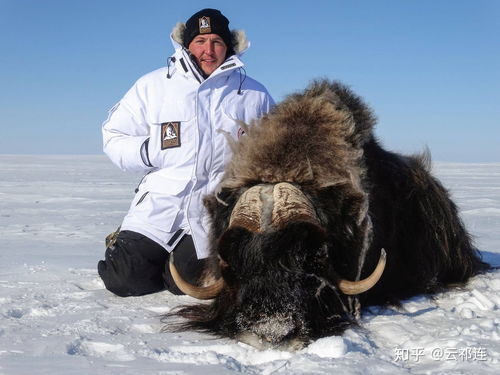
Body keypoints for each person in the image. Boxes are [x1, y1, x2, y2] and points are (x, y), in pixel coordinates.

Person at [98, 9, 274, 297]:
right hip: (159, 202)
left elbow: (274, 149)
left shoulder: (254, 95)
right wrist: (149, 150)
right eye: (200, 41)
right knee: (124, 279)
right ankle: (129, 244)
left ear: (228, 46)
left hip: (214, 206)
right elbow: (113, 137)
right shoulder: (152, 85)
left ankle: (176, 260)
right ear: (186, 45)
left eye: (216, 41)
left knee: (189, 283)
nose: (208, 50)